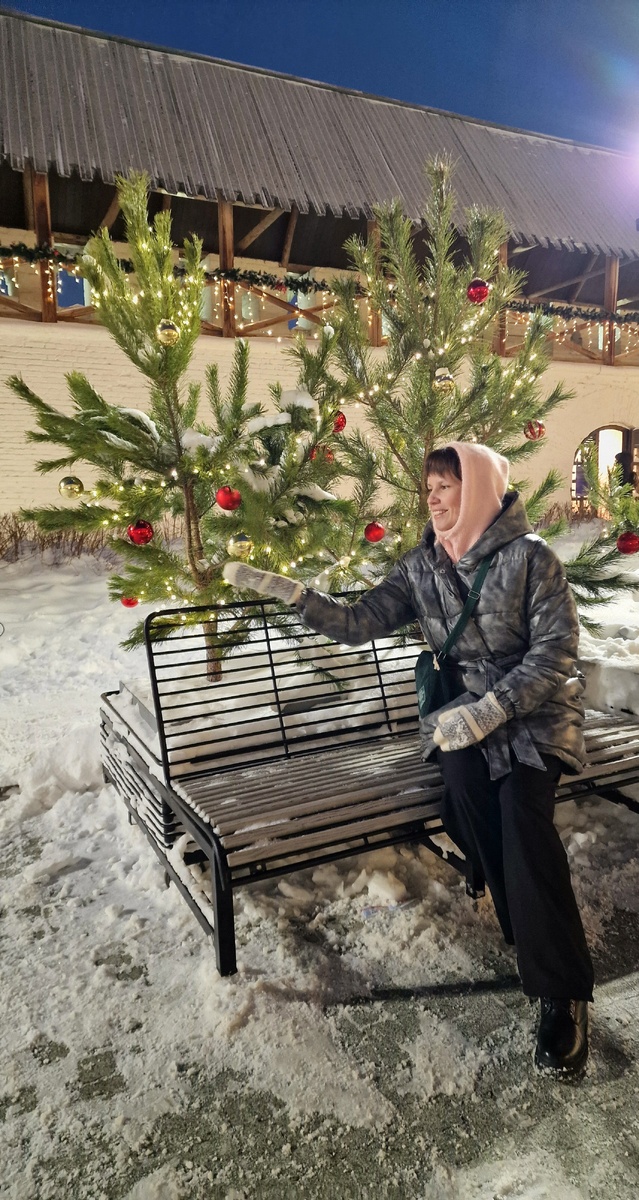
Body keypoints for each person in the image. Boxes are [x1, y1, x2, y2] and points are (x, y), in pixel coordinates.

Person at [224, 441, 593, 1074]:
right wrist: (294, 595)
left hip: (533, 717)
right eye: (428, 488)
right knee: (464, 798)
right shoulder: (421, 565)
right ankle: (520, 918)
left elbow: (555, 656)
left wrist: (493, 709)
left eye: (445, 486)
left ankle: (561, 991)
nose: (433, 497)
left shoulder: (533, 561)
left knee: (523, 817)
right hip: (460, 722)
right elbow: (358, 622)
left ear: (477, 487)